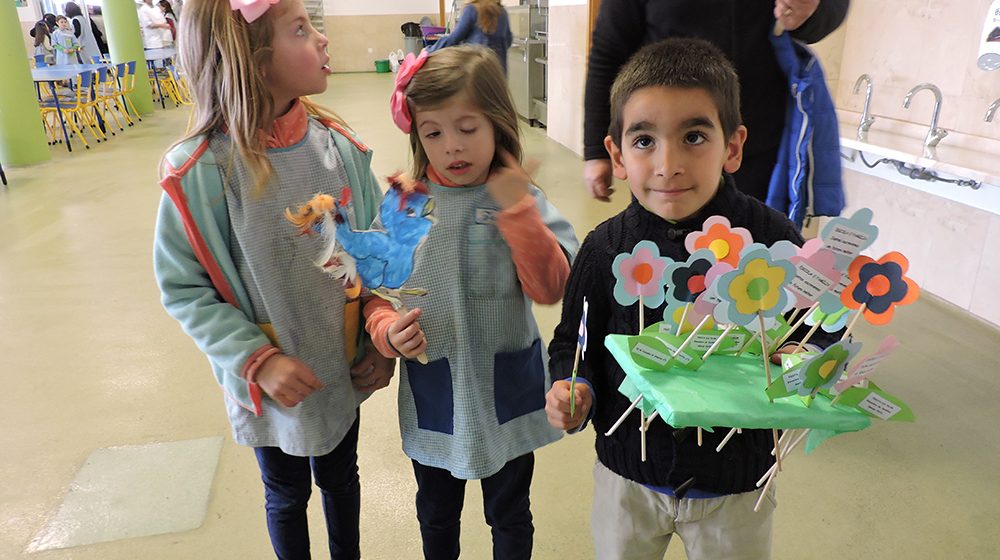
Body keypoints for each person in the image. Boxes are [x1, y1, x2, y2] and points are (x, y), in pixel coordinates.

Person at [546, 38, 837, 560]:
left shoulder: (775, 241)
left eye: (694, 136)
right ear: (616, 154)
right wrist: (575, 385)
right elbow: (574, 339)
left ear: (733, 146)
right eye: (643, 141)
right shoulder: (604, 248)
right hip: (628, 472)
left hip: (737, 482)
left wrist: (801, 361)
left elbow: (823, 330)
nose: (668, 164)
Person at [152, 1, 394, 558]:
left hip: (341, 369)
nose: (323, 39)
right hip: (267, 385)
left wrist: (380, 339)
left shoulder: (339, 147)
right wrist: (258, 360)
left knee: (341, 479)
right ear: (255, 62)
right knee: (284, 495)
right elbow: (184, 288)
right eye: (302, 29)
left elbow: (378, 253)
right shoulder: (202, 172)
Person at [366, 45, 578, 559]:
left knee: (510, 515)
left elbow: (551, 286)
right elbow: (371, 290)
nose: (451, 147)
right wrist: (386, 329)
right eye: (433, 132)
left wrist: (517, 210)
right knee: (436, 515)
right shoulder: (404, 201)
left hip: (505, 388)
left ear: (497, 124)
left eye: (467, 127)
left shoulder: (522, 199)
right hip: (437, 389)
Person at [582, 0, 850, 204]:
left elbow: (829, 11)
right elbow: (608, 53)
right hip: (667, 147)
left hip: (758, 144)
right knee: (663, 253)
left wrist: (809, 10)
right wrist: (596, 150)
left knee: (755, 256)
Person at [426, 1, 513, 73]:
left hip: (478, 71)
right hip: (499, 72)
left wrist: (428, 51)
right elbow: (508, 40)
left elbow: (454, 38)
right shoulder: (502, 11)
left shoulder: (472, 9)